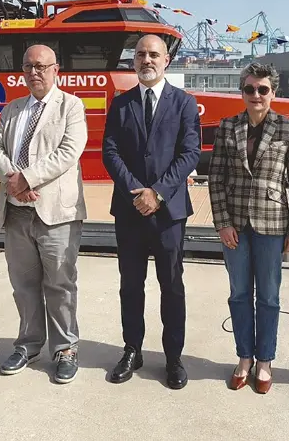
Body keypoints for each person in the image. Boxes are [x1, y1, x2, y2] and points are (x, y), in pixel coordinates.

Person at [102, 34, 201, 390]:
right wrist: (136, 192)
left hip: (168, 212)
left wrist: (157, 193)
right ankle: (132, 350)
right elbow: (110, 151)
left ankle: (173, 357)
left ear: (166, 61)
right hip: (129, 210)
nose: (147, 60)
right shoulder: (121, 103)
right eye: (141, 54)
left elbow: (190, 153)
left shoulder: (184, 103)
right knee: (130, 285)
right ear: (134, 61)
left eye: (154, 54)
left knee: (171, 286)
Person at [0, 44, 88, 384]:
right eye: (29, 66)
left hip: (56, 213)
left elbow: (69, 152)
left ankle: (65, 349)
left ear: (56, 69)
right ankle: (28, 345)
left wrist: (26, 178)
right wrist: (13, 181)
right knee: (23, 284)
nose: (34, 72)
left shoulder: (71, 106)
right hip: (17, 213)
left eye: (41, 66)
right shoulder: (13, 108)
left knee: (60, 284)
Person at [207, 62, 289, 394]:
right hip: (234, 224)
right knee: (238, 294)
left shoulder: (288, 128)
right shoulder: (227, 126)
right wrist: (222, 223)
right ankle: (244, 358)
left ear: (273, 92)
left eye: (263, 89)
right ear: (242, 92)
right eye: (249, 89)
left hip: (272, 222)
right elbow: (216, 179)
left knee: (269, 296)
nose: (256, 95)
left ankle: (265, 360)